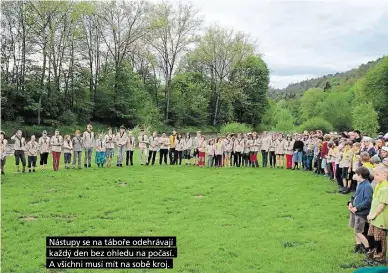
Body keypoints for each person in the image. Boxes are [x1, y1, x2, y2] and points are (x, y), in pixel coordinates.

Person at [347, 166, 373, 254]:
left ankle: (367, 248)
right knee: (355, 230)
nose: (354, 175)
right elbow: (355, 195)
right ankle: (358, 247)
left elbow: (368, 201)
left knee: (358, 232)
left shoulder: (367, 186)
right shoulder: (360, 184)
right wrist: (350, 202)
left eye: (356, 174)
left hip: (360, 213)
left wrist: (357, 208)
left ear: (360, 175)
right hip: (355, 211)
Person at [366, 165, 388, 265]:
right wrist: (370, 214)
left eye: (377, 174)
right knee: (370, 236)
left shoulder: (385, 188)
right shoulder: (378, 184)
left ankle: (380, 258)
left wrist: (373, 215)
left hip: (380, 220)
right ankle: (371, 254)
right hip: (373, 218)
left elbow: (381, 205)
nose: (374, 176)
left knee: (379, 239)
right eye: (374, 174)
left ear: (385, 174)